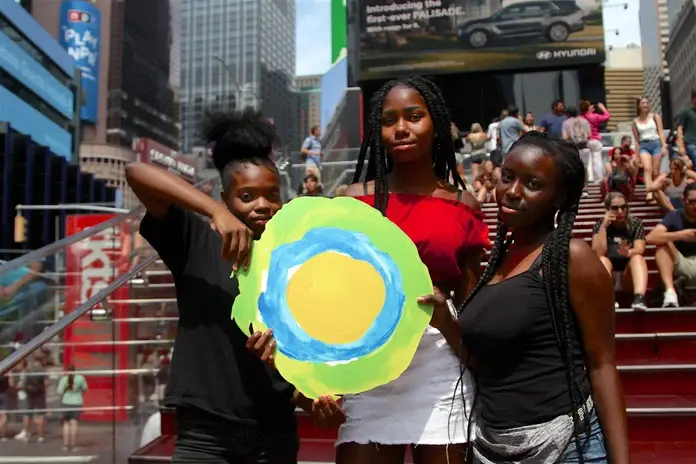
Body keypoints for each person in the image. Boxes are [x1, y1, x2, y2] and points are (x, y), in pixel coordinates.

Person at [251, 76, 490, 464]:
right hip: (364, 362)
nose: (401, 128)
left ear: (437, 124)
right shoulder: (352, 201)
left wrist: (454, 331)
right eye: (389, 119)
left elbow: (473, 302)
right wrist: (313, 381)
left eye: (414, 116)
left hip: (439, 367)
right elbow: (322, 290)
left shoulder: (463, 204)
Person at [421, 132, 630, 463]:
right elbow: (483, 364)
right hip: (493, 447)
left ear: (558, 197)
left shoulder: (572, 257)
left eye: (532, 184)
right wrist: (446, 321)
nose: (513, 191)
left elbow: (602, 365)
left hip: (568, 447)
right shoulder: (499, 260)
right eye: (508, 177)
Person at [126, 108, 301, 463]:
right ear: (225, 198)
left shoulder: (295, 257)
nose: (263, 205)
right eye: (247, 196)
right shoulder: (193, 239)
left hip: (274, 431)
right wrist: (213, 212)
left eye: (272, 194)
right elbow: (136, 172)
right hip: (204, 433)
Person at [592, 192, 649, 310]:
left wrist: (628, 252)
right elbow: (598, 253)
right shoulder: (599, 225)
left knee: (637, 257)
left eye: (623, 207)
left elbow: (640, 248)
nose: (620, 211)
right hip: (609, 273)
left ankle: (639, 298)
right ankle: (608, 299)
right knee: (602, 260)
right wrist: (604, 227)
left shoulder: (635, 223)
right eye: (615, 208)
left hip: (627, 275)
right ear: (607, 209)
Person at [647, 182, 696, 308]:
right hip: (681, 264)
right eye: (692, 202)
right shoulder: (675, 216)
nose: (695, 206)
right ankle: (670, 292)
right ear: (683, 201)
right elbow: (650, 238)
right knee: (662, 246)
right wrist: (681, 235)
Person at [633, 97, 668, 204]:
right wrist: (637, 156)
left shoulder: (655, 116)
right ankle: (649, 192)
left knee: (655, 171)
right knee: (647, 168)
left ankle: (656, 192)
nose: (645, 105)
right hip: (644, 145)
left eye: (647, 103)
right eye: (643, 103)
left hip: (656, 143)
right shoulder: (635, 121)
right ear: (639, 105)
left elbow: (661, 132)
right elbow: (637, 140)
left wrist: (664, 146)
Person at [57, 365, 88, 451]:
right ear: (75, 370)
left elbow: (59, 392)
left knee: (66, 424)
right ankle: (74, 445)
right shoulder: (80, 378)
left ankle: (66, 445)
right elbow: (85, 389)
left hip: (66, 402)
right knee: (74, 424)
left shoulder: (64, 379)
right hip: (77, 402)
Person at [579, 100, 611, 184]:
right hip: (595, 139)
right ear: (588, 107)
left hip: (585, 141)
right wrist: (602, 108)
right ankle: (598, 179)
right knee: (597, 160)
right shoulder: (594, 116)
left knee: (586, 161)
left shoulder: (580, 117)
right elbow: (607, 116)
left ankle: (589, 177)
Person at [676, 89, 696, 166]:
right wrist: (681, 146)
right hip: (691, 143)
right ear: (693, 99)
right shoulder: (687, 112)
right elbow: (680, 129)